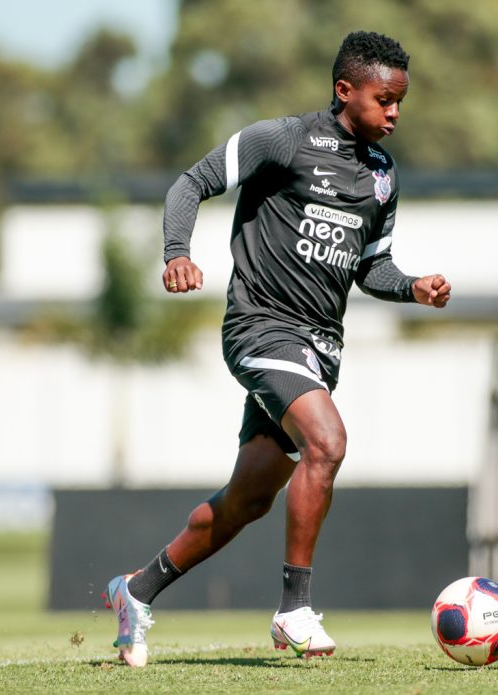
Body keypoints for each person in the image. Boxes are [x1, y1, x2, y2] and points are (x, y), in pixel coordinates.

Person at [102, 30, 451, 667]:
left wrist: (414, 287)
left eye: (401, 101)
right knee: (329, 442)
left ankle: (137, 589)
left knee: (246, 501)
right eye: (385, 100)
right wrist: (176, 253)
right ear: (345, 91)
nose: (395, 113)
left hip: (319, 349)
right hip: (261, 328)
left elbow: (372, 268)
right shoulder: (281, 140)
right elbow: (190, 183)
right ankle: (294, 609)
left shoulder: (380, 176)